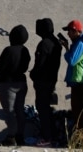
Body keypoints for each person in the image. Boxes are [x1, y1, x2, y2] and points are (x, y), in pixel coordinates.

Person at [0, 23, 30, 147]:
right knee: (20, 110)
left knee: (10, 112)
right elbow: (25, 67)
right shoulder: (25, 51)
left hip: (8, 84)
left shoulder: (8, 50)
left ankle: (11, 137)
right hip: (22, 83)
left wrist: (0, 76)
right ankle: (20, 136)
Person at [30, 17, 63, 147]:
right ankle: (52, 134)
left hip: (43, 81)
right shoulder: (56, 42)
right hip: (51, 79)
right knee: (46, 108)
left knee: (42, 108)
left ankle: (47, 136)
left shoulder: (44, 44)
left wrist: (33, 74)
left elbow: (40, 63)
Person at [62, 19, 83, 145]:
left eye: (69, 31)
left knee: (79, 111)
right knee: (79, 110)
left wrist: (65, 48)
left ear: (76, 31)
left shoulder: (80, 44)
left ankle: (82, 140)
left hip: (79, 82)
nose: (68, 34)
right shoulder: (79, 43)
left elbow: (72, 60)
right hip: (79, 81)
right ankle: (81, 138)